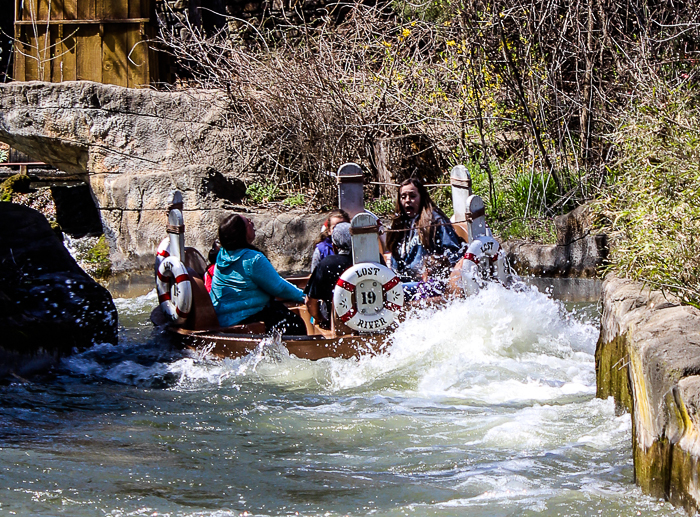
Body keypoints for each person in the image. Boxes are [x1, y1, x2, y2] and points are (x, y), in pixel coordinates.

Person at [209, 214, 307, 335]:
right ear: (241, 233)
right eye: (248, 222)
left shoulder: (223, 254)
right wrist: (303, 297)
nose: (252, 223)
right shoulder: (252, 259)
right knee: (296, 324)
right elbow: (279, 287)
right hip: (246, 317)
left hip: (223, 319)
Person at [385, 178, 464, 295]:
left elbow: (454, 253)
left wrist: (438, 268)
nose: (407, 200)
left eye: (412, 196)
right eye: (403, 197)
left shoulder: (436, 221)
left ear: (421, 197)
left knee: (391, 293)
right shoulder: (399, 224)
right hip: (402, 282)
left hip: (428, 284)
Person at [304, 222, 353, 329]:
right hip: (375, 321)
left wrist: (320, 319)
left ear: (334, 246)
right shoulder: (374, 260)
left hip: (334, 324)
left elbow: (310, 301)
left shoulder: (326, 264)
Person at [310, 209, 350, 273]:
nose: (339, 230)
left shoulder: (356, 248)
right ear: (329, 230)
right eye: (335, 227)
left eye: (343, 226)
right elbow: (314, 275)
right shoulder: (321, 250)